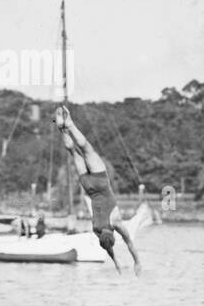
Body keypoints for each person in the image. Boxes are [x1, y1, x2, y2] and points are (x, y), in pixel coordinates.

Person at [55, 105, 142, 276]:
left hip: (101, 183)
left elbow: (129, 242)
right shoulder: (96, 229)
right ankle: (62, 130)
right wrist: (116, 262)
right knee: (74, 152)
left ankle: (70, 124)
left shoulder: (115, 223)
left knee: (87, 149)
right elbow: (107, 247)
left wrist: (137, 261)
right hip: (88, 186)